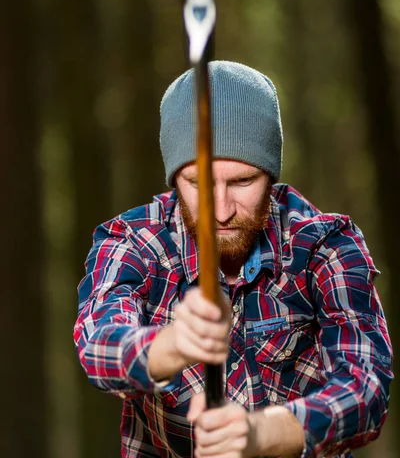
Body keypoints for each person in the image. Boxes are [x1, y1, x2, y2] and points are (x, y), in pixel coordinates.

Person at [74, 61, 393, 458]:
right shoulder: (133, 241)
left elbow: (367, 386)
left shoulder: (325, 244)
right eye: (198, 184)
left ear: (271, 175)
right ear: (174, 179)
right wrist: (172, 345)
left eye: (242, 182)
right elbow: (98, 346)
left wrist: (264, 433)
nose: (220, 210)